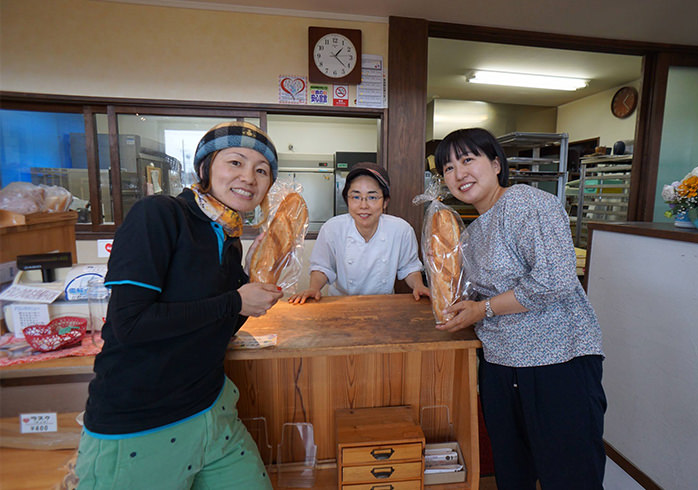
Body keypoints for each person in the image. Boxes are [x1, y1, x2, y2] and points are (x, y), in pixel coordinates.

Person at [75, 122, 284, 489]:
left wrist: (249, 295)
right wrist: (236, 300)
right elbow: (131, 323)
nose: (248, 177)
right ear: (205, 169)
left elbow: (215, 326)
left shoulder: (230, 240)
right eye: (235, 162)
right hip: (140, 424)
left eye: (261, 170)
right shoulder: (159, 215)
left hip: (213, 411)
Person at [434, 128, 606, 490]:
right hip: (500, 366)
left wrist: (482, 311)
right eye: (448, 168)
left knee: (571, 476)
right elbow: (473, 293)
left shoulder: (527, 203)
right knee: (514, 475)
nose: (459, 173)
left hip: (557, 362)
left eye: (468, 160)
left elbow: (554, 280)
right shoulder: (471, 232)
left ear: (496, 164)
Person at [288, 162, 429, 304]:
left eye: (372, 197)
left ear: (385, 202)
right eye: (356, 197)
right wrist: (314, 288)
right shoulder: (332, 228)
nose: (363, 206)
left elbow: (409, 267)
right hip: (341, 304)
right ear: (347, 200)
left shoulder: (401, 230)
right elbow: (323, 267)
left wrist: (418, 286)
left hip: (384, 306)